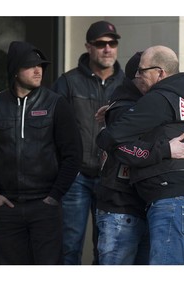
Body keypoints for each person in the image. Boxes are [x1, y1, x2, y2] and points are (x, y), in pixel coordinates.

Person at [96, 45, 184, 265]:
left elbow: (108, 139)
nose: (138, 76)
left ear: (160, 73)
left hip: (171, 198)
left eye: (142, 71)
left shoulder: (159, 98)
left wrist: (163, 150)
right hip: (175, 197)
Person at [0, 41, 82, 264]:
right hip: (7, 207)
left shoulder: (56, 104)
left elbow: (73, 155)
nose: (38, 70)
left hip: (45, 207)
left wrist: (54, 196)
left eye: (41, 65)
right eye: (30, 65)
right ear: (15, 71)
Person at [52, 20, 125, 265]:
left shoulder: (127, 85)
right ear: (88, 47)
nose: (107, 49)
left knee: (106, 250)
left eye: (112, 43)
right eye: (101, 44)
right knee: (69, 246)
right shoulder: (68, 82)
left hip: (112, 179)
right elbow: (52, 128)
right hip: (77, 176)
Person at [95, 52, 150, 265]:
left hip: (138, 208)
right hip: (120, 209)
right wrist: (168, 150)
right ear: (138, 76)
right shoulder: (125, 109)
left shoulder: (133, 105)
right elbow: (128, 150)